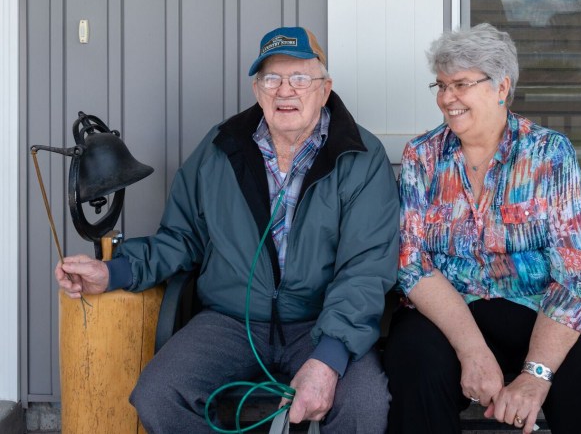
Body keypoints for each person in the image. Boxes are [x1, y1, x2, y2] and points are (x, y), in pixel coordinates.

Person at [56, 26, 399, 434]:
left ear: (325, 90)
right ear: (257, 89)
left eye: (300, 78)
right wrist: (113, 272)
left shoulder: (361, 156)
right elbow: (182, 237)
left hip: (320, 321)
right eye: (272, 79)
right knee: (158, 393)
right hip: (230, 321)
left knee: (365, 404)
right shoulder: (220, 148)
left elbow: (365, 268)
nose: (285, 91)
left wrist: (327, 358)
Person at [383, 23, 581, 434]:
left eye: (461, 84)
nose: (447, 98)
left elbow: (580, 273)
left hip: (552, 312)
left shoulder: (548, 154)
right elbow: (412, 263)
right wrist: (472, 351)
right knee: (416, 367)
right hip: (456, 312)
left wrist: (535, 374)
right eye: (441, 85)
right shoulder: (422, 156)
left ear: (501, 87)